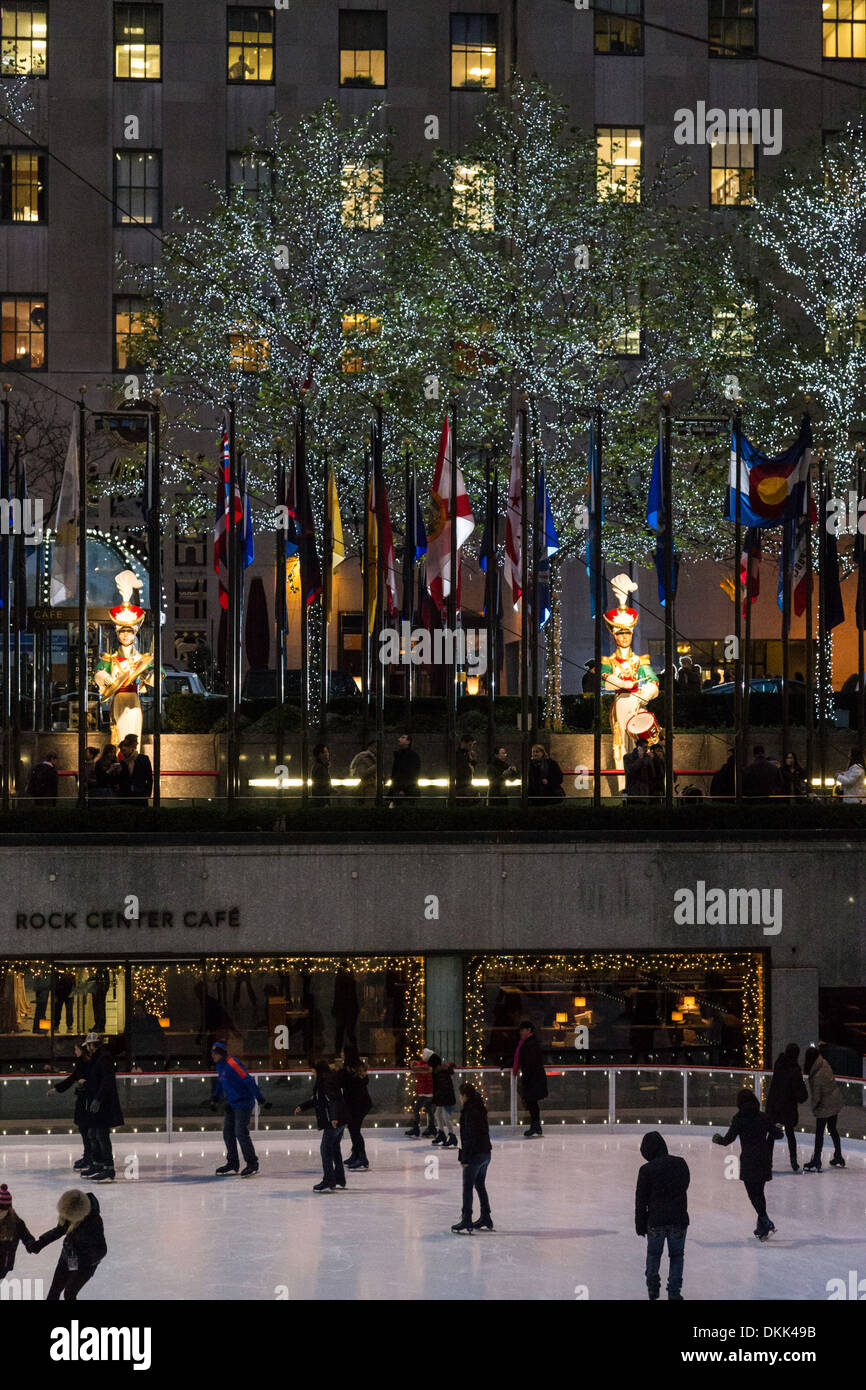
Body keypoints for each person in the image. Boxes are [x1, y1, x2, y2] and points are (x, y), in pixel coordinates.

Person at [712, 1088, 780, 1241]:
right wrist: (776, 1129)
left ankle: (765, 1220)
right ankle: (762, 1227)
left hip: (749, 1160)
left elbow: (727, 1139)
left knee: (752, 1194)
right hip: (764, 1159)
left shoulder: (739, 1119)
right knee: (759, 1192)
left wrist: (717, 1139)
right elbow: (778, 1134)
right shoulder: (763, 1117)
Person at [634, 1130, 690, 1301]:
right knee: (677, 1256)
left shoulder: (646, 1170)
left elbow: (641, 1199)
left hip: (656, 1221)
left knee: (653, 1254)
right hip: (678, 1219)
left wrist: (640, 1223)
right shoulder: (680, 1163)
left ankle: (652, 1287)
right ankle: (674, 1292)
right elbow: (685, 1184)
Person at [31, 1189, 107, 1301]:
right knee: (54, 1291)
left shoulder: (94, 1222)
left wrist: (83, 1261)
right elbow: (59, 1230)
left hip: (84, 1266)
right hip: (67, 1256)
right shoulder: (69, 1209)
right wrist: (40, 1243)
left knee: (69, 1294)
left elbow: (102, 1249)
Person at [211, 1040, 265, 1177]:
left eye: (215, 1053)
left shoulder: (232, 1064)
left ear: (221, 1054)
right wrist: (216, 1097)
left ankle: (252, 1163)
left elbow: (248, 1080)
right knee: (228, 1133)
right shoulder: (220, 1065)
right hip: (232, 1103)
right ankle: (233, 1163)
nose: (213, 1056)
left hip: (244, 1102)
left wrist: (259, 1098)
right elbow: (221, 1081)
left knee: (240, 1132)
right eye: (212, 1053)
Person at [294, 1059, 350, 1192]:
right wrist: (302, 1107)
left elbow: (332, 1100)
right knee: (334, 1149)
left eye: (313, 1070)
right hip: (339, 1119)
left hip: (334, 1121)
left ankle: (329, 1179)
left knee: (325, 1149)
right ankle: (338, 1178)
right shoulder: (329, 1079)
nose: (312, 1072)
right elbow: (320, 1100)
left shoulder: (324, 1081)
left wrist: (334, 1117)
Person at [80, 1033, 123, 1183]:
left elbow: (107, 1080)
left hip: (103, 1104)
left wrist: (98, 1099)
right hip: (97, 1103)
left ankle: (108, 1168)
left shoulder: (104, 1057)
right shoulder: (98, 1058)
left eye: (89, 1046)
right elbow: (97, 1079)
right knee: (93, 1133)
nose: (88, 1049)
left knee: (101, 1136)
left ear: (93, 1045)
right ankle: (97, 1164)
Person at [451, 1082, 493, 1234]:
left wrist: (465, 1159)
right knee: (479, 1184)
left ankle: (466, 1218)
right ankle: (486, 1216)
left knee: (467, 1186)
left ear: (465, 1095)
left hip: (475, 1155)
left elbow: (470, 1137)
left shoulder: (469, 1111)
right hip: (486, 1153)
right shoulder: (480, 1107)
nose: (460, 1098)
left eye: (461, 1095)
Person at [51, 1039, 93, 1171]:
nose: (75, 1052)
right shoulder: (81, 1063)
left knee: (87, 1129)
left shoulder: (88, 1063)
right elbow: (72, 1078)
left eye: (76, 1049)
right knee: (83, 1128)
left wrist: (86, 1082)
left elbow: (96, 1079)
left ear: (82, 1050)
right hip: (82, 1099)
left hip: (88, 1100)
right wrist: (57, 1088)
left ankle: (91, 1157)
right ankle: (88, 1155)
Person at [765, 1042, 808, 1172]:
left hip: (774, 1104)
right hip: (787, 1107)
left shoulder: (779, 1064)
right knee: (790, 1134)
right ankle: (793, 1162)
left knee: (772, 1135)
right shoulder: (794, 1071)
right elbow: (800, 1093)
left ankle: (767, 1162)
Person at [803, 1045, 845, 1171]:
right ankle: (838, 1155)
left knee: (819, 1133)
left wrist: (813, 1108)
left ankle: (817, 1159)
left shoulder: (816, 1075)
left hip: (825, 1105)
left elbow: (817, 1096)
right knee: (832, 1128)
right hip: (835, 1101)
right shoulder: (823, 1063)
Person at [339, 1050, 372, 1171]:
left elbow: (350, 1086)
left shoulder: (352, 1070)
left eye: (343, 1053)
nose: (341, 1055)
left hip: (359, 1105)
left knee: (355, 1130)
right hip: (356, 1105)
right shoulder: (353, 1069)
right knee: (353, 1129)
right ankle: (356, 1154)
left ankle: (362, 1157)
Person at [514, 1019, 548, 1137]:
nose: (520, 1032)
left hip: (533, 1077)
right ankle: (536, 1126)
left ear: (529, 1030)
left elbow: (528, 1060)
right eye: (520, 1030)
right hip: (532, 1077)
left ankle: (535, 1125)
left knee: (531, 1101)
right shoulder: (528, 1042)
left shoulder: (531, 1042)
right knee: (531, 1102)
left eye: (522, 1030)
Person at [0, 1183, 36, 1277]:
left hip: (4, 1265)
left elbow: (27, 1237)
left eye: (2, 1209)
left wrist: (31, 1245)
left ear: (9, 1209)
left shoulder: (16, 1223)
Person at [405, 1048, 437, 1137]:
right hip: (426, 1091)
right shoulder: (425, 1065)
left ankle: (418, 1128)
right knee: (429, 1110)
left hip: (426, 1091)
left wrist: (414, 1066)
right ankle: (431, 1127)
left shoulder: (426, 1066)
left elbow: (419, 1068)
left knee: (418, 1109)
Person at [429, 1052, 457, 1147]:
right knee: (437, 1114)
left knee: (446, 1117)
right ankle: (441, 1134)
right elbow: (438, 1088)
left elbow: (444, 1088)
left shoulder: (441, 1073)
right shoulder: (438, 1072)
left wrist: (438, 1099)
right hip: (442, 1098)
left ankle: (452, 1136)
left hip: (446, 1099)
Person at [114, 734, 153, 802]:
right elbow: (119, 780)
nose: (122, 753)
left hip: (140, 795)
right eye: (121, 751)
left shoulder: (143, 759)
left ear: (131, 748)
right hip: (126, 796)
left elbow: (149, 778)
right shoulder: (122, 763)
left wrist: (147, 794)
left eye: (124, 750)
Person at [390, 732, 420, 803]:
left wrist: (404, 790)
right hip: (399, 789)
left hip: (405, 791)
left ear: (408, 742)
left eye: (403, 737)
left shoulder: (411, 756)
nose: (399, 739)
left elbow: (412, 774)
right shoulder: (399, 755)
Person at [455, 733, 478, 799]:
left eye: (472, 745)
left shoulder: (467, 754)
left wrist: (473, 761)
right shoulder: (459, 756)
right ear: (463, 743)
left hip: (466, 784)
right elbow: (463, 771)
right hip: (462, 786)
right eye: (470, 745)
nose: (471, 747)